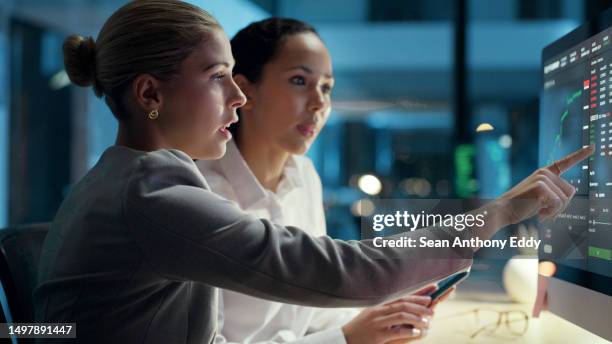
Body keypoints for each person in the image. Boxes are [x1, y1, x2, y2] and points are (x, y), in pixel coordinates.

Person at [33, 1, 593, 343]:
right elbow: (339, 270)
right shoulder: (152, 195)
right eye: (217, 77)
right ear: (150, 92)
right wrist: (498, 212)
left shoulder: (142, 178)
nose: (236, 97)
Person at [196, 18, 452, 344]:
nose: (319, 103)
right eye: (300, 80)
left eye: (327, 87)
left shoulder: (304, 177)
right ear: (245, 90)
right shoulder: (203, 195)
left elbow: (310, 305)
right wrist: (347, 338)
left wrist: (380, 316)